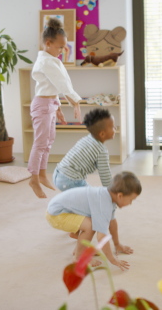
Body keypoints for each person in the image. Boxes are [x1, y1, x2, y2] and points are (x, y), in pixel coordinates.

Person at [53, 108, 133, 255]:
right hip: (71, 180)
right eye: (113, 127)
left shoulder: (86, 139)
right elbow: (106, 179)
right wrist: (112, 200)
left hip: (59, 174)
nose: (115, 129)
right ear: (102, 134)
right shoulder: (101, 151)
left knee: (82, 203)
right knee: (94, 210)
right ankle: (80, 247)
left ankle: (75, 230)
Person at [28, 17, 82, 198]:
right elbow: (61, 84)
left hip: (49, 104)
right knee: (40, 142)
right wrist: (74, 101)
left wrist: (58, 106)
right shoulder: (46, 62)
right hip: (42, 106)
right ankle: (33, 179)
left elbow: (52, 88)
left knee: (49, 140)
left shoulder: (52, 60)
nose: (63, 50)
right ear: (48, 43)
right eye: (60, 47)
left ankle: (43, 174)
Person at [46, 171, 142, 270]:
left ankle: (77, 241)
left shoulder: (109, 196)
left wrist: (117, 244)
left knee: (95, 219)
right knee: (91, 225)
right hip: (57, 215)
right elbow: (102, 237)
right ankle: (78, 258)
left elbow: (112, 222)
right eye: (131, 200)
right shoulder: (104, 205)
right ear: (120, 196)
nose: (131, 203)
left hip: (66, 210)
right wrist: (112, 260)